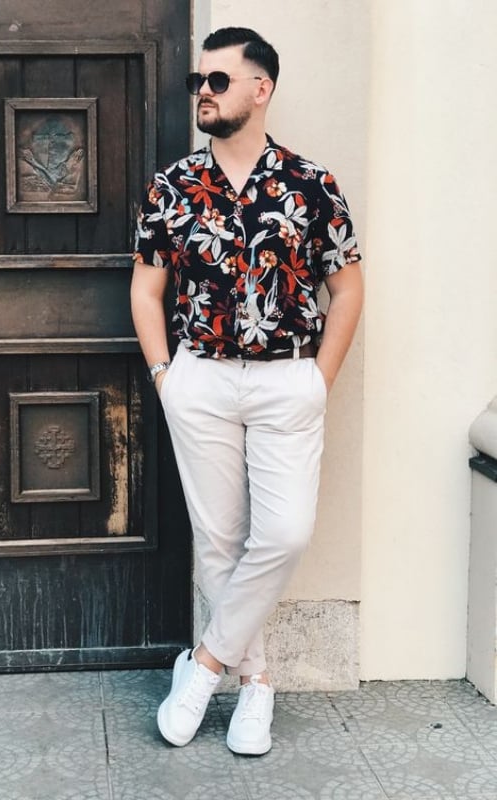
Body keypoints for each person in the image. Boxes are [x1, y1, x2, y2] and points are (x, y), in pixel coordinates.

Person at [131, 26, 363, 756]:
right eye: (200, 81)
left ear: (261, 89)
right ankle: (255, 684)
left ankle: (203, 665)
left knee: (284, 531)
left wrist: (317, 379)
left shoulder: (311, 184)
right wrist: (166, 377)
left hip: (287, 379)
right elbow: (146, 289)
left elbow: (348, 285)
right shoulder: (172, 187)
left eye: (219, 80)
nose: (204, 90)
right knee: (221, 540)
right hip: (198, 376)